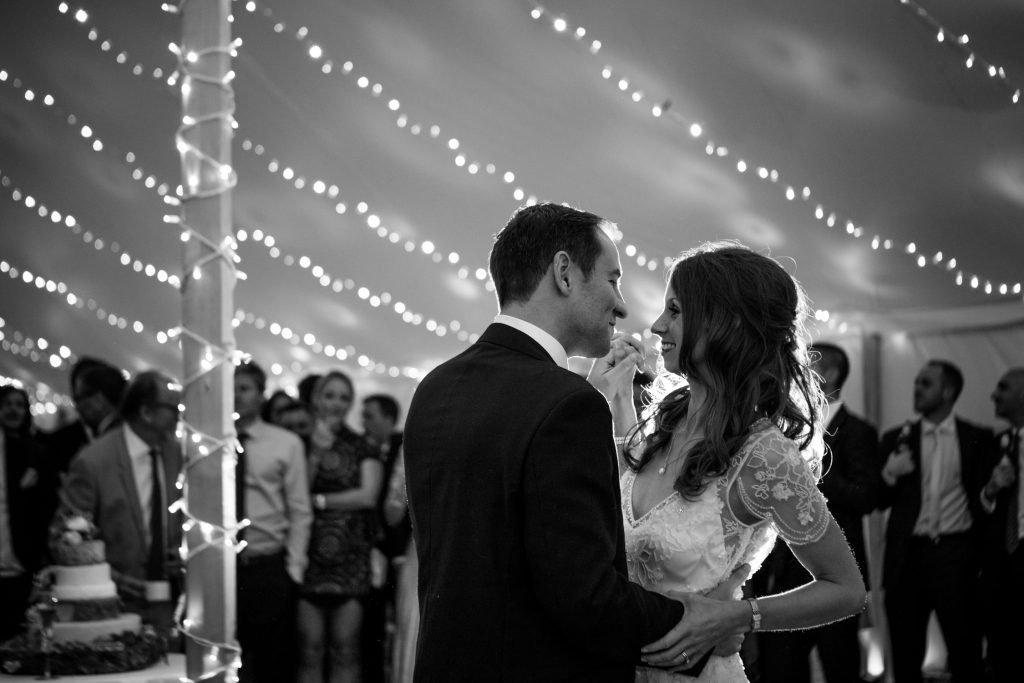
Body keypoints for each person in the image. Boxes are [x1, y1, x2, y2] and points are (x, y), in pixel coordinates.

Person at [403, 204, 748, 683]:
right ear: (565, 273)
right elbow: (584, 597)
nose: (623, 305)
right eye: (612, 279)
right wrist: (698, 621)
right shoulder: (568, 403)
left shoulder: (435, 387)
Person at [593, 241, 866, 681]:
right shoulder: (662, 424)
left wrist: (738, 617)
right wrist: (613, 398)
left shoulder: (763, 455)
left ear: (726, 322)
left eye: (676, 311)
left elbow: (846, 589)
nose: (659, 326)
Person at [752, 342, 881, 683]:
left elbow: (866, 496)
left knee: (839, 665)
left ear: (831, 373)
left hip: (836, 570)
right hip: (784, 570)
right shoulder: (784, 425)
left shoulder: (859, 432)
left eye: (804, 363)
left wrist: (807, 474)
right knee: (781, 669)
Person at [878, 360, 994, 683]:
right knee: (905, 655)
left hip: (956, 556)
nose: (916, 388)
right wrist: (889, 473)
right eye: (916, 382)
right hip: (907, 558)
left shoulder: (977, 438)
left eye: (925, 383)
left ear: (948, 391)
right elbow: (876, 498)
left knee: (965, 652)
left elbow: (984, 502)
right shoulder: (897, 438)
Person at [56, 370, 183, 615]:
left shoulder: (174, 453)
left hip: (171, 601)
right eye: (173, 409)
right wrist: (117, 580)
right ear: (146, 412)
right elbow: (66, 538)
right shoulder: (94, 460)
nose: (179, 417)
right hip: (113, 605)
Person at [298, 370, 384, 683]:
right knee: (309, 648)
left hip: (350, 556)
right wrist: (316, 452)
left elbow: (367, 495)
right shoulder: (300, 441)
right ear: (317, 398)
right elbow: (296, 493)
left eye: (344, 397)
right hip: (308, 557)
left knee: (345, 648)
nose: (336, 403)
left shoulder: (361, 445)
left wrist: (319, 501)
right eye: (329, 395)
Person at [234, 361, 313, 683]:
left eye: (244, 389)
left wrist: (293, 570)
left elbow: (299, 509)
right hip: (219, 566)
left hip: (268, 564)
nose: (236, 396)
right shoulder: (206, 440)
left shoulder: (285, 442)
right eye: (232, 389)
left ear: (260, 395)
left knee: (273, 664)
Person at [980, 367, 1024, 682]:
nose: (994, 395)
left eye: (1003, 388)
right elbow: (978, 507)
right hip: (1002, 564)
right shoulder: (994, 445)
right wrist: (991, 490)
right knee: (1003, 649)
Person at [359, 393, 407, 683]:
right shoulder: (366, 449)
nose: (363, 423)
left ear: (389, 419)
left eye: (370, 416)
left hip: (395, 551)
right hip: (373, 550)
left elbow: (398, 502)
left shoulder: (403, 446)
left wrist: (398, 550)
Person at [0, 385, 51, 641]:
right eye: (7, 403)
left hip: (22, 559)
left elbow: (43, 509)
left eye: (19, 404)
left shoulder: (35, 452)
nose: (13, 410)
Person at [44, 358, 126, 473]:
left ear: (99, 399)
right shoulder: (138, 437)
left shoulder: (88, 459)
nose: (78, 407)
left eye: (80, 398)